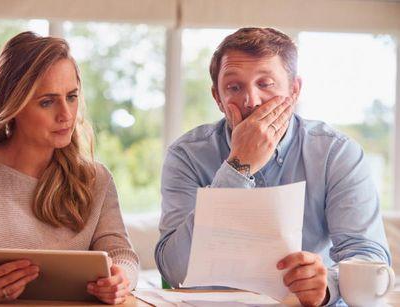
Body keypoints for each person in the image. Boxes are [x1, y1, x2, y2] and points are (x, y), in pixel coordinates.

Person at [155, 27, 391, 306]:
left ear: (294, 90)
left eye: (265, 84)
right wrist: (237, 166)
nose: (251, 101)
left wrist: (327, 284)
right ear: (217, 97)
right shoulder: (187, 155)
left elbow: (368, 257)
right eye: (234, 87)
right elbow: (175, 270)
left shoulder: (336, 153)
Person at [0, 31, 138, 305]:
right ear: (14, 105)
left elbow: (122, 255)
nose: (66, 115)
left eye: (71, 96)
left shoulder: (95, 179)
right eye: (47, 102)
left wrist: (120, 279)